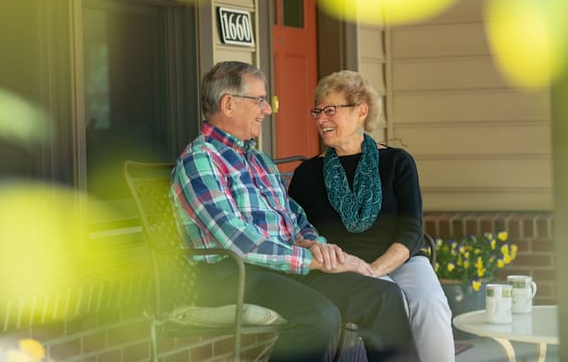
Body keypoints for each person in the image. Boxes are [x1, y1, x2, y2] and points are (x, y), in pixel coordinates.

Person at [171, 61, 420, 362]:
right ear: (228, 104)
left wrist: (316, 244)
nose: (267, 109)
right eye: (259, 100)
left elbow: (295, 218)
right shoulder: (200, 161)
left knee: (382, 296)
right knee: (319, 315)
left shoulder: (259, 161)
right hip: (231, 275)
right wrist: (311, 260)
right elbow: (239, 240)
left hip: (281, 268)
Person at [288, 70, 455, 362]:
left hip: (400, 260)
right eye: (318, 111)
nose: (321, 119)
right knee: (391, 303)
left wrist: (376, 269)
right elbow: (297, 231)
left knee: (432, 304)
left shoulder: (396, 162)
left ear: (361, 111)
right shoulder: (307, 174)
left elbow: (412, 230)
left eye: (331, 110)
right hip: (346, 266)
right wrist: (355, 268)